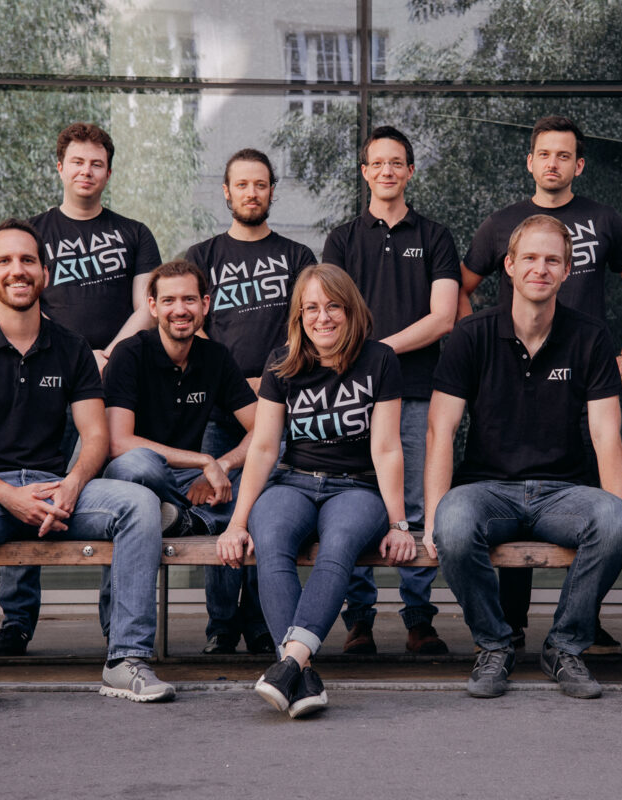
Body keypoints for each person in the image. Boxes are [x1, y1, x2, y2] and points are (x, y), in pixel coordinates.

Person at [0, 218, 172, 715]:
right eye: (5, 261)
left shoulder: (71, 346)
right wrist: (7, 495)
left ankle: (126, 659)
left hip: (56, 489)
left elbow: (96, 434)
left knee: (140, 504)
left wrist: (75, 484)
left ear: (45, 273)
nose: (18, 270)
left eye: (28, 260)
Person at [459, 114, 622, 653]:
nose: (553, 163)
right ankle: (512, 622)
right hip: (517, 376)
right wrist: (475, 353)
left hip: (584, 373)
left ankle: (582, 620)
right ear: (530, 161)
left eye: (564, 155)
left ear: (579, 165)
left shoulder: (603, 219)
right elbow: (464, 286)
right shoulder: (503, 223)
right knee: (512, 474)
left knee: (593, 497)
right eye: (544, 154)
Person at [425, 215, 622, 699]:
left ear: (567, 271)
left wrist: (621, 515)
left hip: (563, 493)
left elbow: (607, 433)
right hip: (487, 490)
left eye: (552, 260)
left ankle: (563, 646)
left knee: (614, 520)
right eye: (531, 259)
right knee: (452, 523)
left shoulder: (590, 336)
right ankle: (495, 645)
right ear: (510, 266)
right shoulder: (470, 335)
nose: (541, 268)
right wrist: (434, 512)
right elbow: (441, 429)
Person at [216, 264, 415, 718]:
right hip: (295, 481)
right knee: (272, 542)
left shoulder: (379, 360)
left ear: (351, 311)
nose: (322, 317)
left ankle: (288, 664)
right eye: (311, 308)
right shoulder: (281, 363)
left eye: (332, 307)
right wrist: (238, 522)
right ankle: (301, 675)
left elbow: (385, 448)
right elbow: (264, 449)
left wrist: (399, 522)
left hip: (357, 488)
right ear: (298, 315)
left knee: (339, 545)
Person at [0, 122, 163, 657]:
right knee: (31, 483)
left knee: (124, 495)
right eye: (77, 162)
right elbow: (21, 299)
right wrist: (73, 352)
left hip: (115, 383)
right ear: (60, 167)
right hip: (45, 379)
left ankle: (119, 625)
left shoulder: (134, 233)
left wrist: (107, 352)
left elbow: (148, 306)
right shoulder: (36, 233)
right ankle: (17, 621)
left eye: (96, 163)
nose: (86, 171)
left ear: (108, 172)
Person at [321, 126, 460, 655]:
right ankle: (359, 620)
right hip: (353, 395)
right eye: (376, 163)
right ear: (365, 172)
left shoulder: (435, 237)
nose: (386, 171)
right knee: (358, 500)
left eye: (396, 163)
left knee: (419, 505)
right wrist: (368, 361)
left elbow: (443, 317)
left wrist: (378, 351)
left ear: (409, 172)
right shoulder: (342, 239)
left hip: (419, 389)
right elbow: (332, 313)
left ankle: (419, 618)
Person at [183, 148, 316, 654]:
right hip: (219, 414)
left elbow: (309, 328)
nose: (251, 193)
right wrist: (239, 389)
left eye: (260, 184)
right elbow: (190, 333)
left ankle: (263, 625)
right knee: (221, 513)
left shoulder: (297, 257)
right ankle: (221, 626)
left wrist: (271, 384)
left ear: (271, 191)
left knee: (267, 516)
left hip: (284, 409)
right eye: (242, 185)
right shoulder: (202, 257)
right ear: (226, 191)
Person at [100, 260, 266, 651]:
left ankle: (184, 520)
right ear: (153, 306)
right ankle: (188, 520)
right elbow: (119, 443)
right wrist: (203, 461)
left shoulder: (216, 358)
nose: (181, 309)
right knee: (141, 468)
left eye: (190, 299)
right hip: (136, 480)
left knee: (261, 482)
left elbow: (264, 430)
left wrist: (222, 465)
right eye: (170, 300)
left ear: (205, 305)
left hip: (183, 490)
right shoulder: (129, 354)